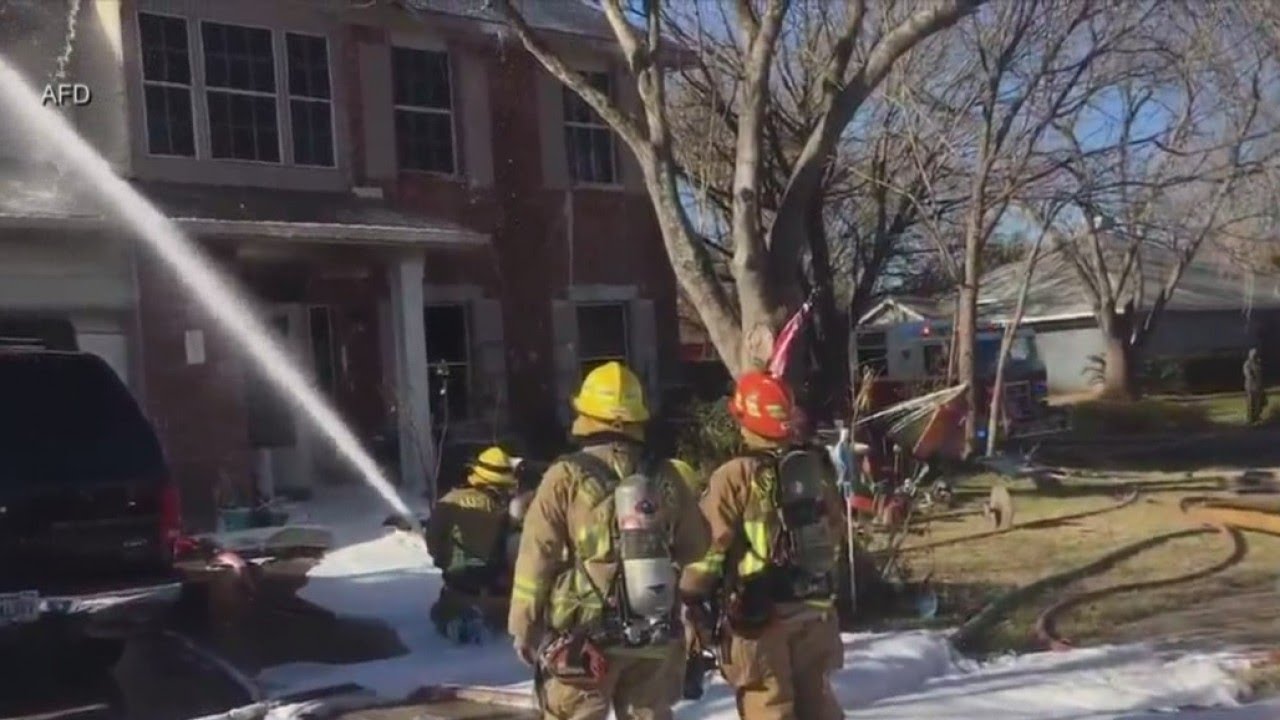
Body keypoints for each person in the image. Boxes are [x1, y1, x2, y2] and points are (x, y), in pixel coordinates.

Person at [508, 361, 710, 720]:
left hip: (584, 640)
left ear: (586, 414)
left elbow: (537, 555)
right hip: (653, 635)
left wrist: (523, 627)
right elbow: (698, 545)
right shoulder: (666, 475)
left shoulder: (564, 476)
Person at [680, 369, 845, 720]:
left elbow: (709, 548)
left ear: (744, 420)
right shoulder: (814, 469)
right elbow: (835, 531)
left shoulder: (734, 476)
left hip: (759, 617)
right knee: (819, 704)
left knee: (769, 704)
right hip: (815, 610)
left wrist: (690, 594)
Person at [425, 445, 521, 644]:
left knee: (439, 612)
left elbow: (434, 547)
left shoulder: (447, 502)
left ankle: (459, 618)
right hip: (500, 591)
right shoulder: (505, 512)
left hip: (457, 588)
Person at [1245, 348, 1265, 425]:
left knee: (1259, 402)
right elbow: (1249, 375)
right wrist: (1253, 377)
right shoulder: (1247, 364)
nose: (1255, 357)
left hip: (1258, 386)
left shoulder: (1258, 363)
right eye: (1254, 355)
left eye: (1256, 355)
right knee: (1251, 403)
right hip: (1250, 387)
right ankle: (1250, 418)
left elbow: (1260, 375)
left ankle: (1257, 416)